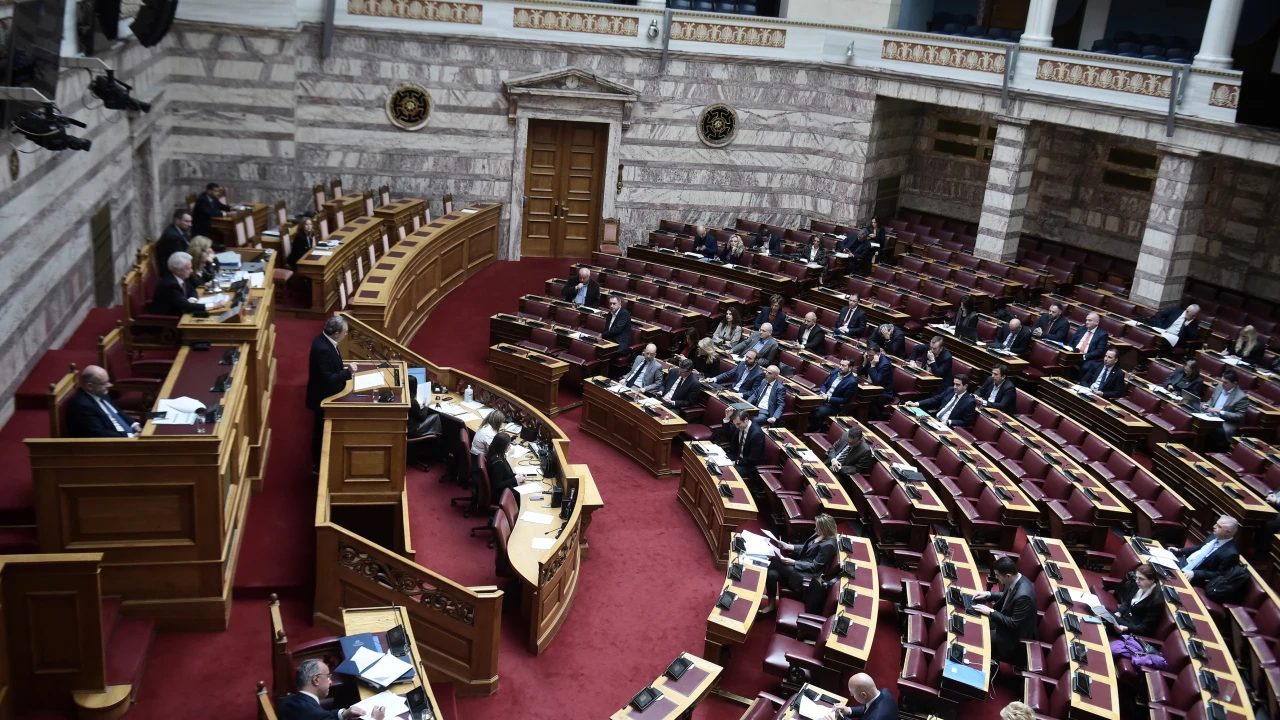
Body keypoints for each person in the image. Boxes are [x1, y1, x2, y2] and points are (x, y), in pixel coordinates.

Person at [759, 513, 839, 615]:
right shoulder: (820, 534)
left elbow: (815, 567)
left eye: (818, 527)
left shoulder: (829, 545)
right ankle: (771, 605)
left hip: (807, 576)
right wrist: (788, 546)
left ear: (825, 529)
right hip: (800, 567)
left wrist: (794, 562)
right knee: (772, 574)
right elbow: (806, 547)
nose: (815, 529)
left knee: (773, 563)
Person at [307, 316, 358, 470]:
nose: (346, 334)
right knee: (320, 431)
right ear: (336, 333)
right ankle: (318, 465)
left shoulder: (325, 340)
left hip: (327, 393)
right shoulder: (323, 349)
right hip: (323, 397)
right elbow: (328, 379)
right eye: (345, 332)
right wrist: (347, 372)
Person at [971, 556, 1038, 668]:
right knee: (976, 619)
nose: (996, 578)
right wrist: (989, 594)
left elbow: (1014, 624)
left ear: (1008, 576)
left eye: (997, 575)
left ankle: (981, 667)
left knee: (979, 636)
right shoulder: (1017, 579)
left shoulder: (1024, 596)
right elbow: (1008, 595)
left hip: (1013, 638)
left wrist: (991, 612)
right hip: (1005, 622)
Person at [277, 658, 383, 720]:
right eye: (328, 677)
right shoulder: (316, 714)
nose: (330, 681)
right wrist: (375, 719)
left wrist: (343, 714)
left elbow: (324, 717)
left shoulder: (288, 701)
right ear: (316, 680)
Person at [66, 365, 142, 438]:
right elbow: (99, 433)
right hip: (115, 442)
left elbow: (117, 412)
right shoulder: (83, 406)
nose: (109, 385)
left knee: (149, 422)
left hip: (130, 433)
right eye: (103, 384)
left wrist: (134, 424)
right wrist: (129, 437)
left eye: (108, 381)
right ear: (90, 386)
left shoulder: (100, 392)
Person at [149, 252, 228, 317]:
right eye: (188, 268)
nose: (191, 271)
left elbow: (192, 290)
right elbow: (186, 306)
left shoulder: (181, 276)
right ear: (178, 270)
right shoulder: (170, 285)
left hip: (183, 313)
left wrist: (192, 299)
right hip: (168, 320)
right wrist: (214, 305)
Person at [1173, 515, 1240, 586]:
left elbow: (1219, 574)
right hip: (1184, 562)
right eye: (1216, 524)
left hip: (1194, 575)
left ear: (1227, 532)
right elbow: (1199, 547)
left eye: (1219, 526)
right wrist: (1179, 550)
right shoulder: (1214, 535)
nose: (1214, 526)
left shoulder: (1231, 554)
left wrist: (1195, 573)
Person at [1106, 563, 1164, 638]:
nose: (1137, 581)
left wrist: (1126, 628)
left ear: (1152, 580)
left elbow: (1144, 629)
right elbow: (1127, 602)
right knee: (1103, 615)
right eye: (1137, 577)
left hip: (1133, 630)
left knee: (1104, 617)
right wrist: (1119, 612)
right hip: (1123, 619)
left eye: (1141, 579)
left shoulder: (1157, 601)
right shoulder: (1138, 585)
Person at [906, 375, 977, 428]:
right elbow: (935, 399)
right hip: (934, 420)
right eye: (954, 384)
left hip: (947, 426)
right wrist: (916, 403)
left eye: (958, 385)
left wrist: (949, 422)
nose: (955, 387)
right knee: (910, 418)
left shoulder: (969, 402)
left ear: (965, 386)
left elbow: (966, 422)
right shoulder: (950, 390)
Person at [809, 359, 858, 431]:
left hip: (833, 405)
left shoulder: (852, 382)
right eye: (840, 364)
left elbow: (845, 399)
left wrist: (828, 398)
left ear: (850, 368)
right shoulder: (836, 371)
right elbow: (824, 384)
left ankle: (813, 431)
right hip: (822, 396)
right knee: (806, 404)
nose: (840, 367)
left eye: (843, 366)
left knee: (817, 412)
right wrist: (823, 393)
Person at [823, 672, 896, 720]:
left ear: (863, 695)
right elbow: (868, 708)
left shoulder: (875, 718)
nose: (851, 695)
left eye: (853, 693)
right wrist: (849, 710)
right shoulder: (884, 692)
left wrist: (840, 719)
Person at [1203, 369, 1249, 443]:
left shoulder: (1241, 397)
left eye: (1225, 382)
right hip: (1210, 416)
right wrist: (1207, 405)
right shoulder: (1219, 387)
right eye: (1222, 381)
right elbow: (1212, 400)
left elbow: (1239, 416)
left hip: (1225, 423)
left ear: (1234, 383)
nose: (1222, 384)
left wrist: (1221, 412)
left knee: (1210, 430)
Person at [727, 409, 765, 487]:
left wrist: (736, 462)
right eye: (735, 424)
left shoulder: (756, 434)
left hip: (748, 466)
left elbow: (753, 459)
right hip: (736, 457)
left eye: (738, 424)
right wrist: (727, 418)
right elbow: (727, 436)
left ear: (746, 420)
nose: (736, 427)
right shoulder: (739, 425)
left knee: (728, 472)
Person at [1070, 312, 1110, 377]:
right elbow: (1072, 341)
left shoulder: (1102, 334)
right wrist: (1070, 350)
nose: (1087, 322)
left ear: (1097, 322)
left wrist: (1084, 356)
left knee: (1086, 367)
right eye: (1086, 320)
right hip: (1073, 354)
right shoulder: (1081, 328)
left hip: (1088, 358)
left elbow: (1099, 351)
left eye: (1089, 320)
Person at [155, 208, 192, 276]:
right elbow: (180, 258)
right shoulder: (172, 236)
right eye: (186, 221)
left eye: (190, 221)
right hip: (173, 272)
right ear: (177, 221)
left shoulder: (181, 231)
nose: (190, 224)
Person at [485, 432, 519, 502]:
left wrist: (516, 476)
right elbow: (497, 485)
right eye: (508, 445)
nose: (510, 446)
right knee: (519, 494)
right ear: (503, 447)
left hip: (501, 485)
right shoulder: (498, 464)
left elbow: (506, 473)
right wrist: (515, 479)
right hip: (498, 494)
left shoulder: (496, 453)